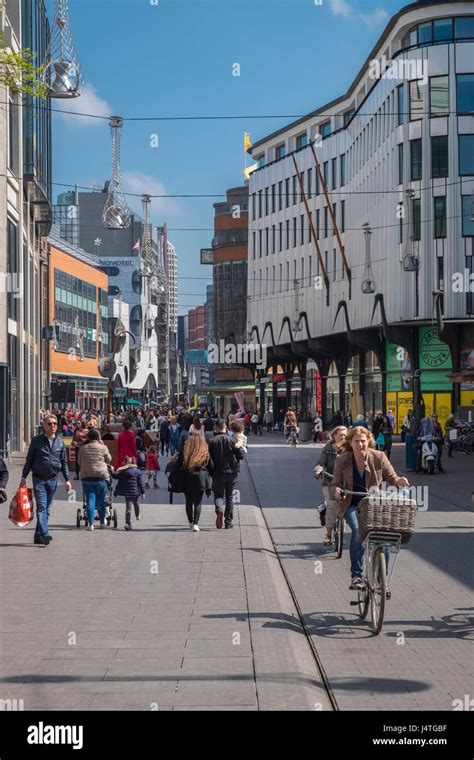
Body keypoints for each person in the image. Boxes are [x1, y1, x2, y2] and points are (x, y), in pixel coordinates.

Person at [331, 426, 409, 590]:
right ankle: (356, 576)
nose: (360, 444)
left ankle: (382, 580)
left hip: (374, 504)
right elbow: (335, 484)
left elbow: (392, 476)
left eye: (363, 441)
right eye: (356, 441)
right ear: (350, 443)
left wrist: (399, 480)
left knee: (384, 537)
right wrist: (337, 492)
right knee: (358, 530)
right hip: (352, 503)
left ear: (369, 441)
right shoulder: (342, 460)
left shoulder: (379, 457)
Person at [21, 414, 72, 545]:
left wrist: (67, 479)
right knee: (42, 507)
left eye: (55, 423)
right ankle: (45, 534)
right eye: (49, 423)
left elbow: (64, 462)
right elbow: (29, 460)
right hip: (39, 478)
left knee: (47, 509)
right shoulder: (36, 440)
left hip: (53, 479)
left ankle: (38, 536)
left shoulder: (60, 442)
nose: (53, 426)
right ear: (43, 425)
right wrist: (23, 477)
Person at [314, 426, 347, 546]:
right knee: (332, 506)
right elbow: (321, 462)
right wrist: (318, 470)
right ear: (334, 436)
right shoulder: (327, 447)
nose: (343, 437)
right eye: (340, 435)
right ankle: (328, 535)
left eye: (345, 435)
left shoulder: (349, 448)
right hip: (329, 481)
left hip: (346, 483)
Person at [208, 419, 244, 529]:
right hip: (231, 473)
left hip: (218, 473)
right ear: (225, 427)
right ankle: (228, 522)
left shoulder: (212, 441)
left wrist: (211, 472)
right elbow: (240, 455)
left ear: (216, 428)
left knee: (218, 495)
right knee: (229, 497)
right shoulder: (231, 440)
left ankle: (219, 510)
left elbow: (208, 459)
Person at [177, 434, 213, 532]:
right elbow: (211, 465)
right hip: (200, 478)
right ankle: (196, 524)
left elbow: (178, 463)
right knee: (198, 502)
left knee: (188, 501)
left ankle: (190, 522)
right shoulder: (204, 452)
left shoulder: (185, 451)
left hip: (187, 477)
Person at [78, 428, 112, 531]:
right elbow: (109, 459)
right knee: (101, 500)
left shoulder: (82, 448)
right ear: (98, 437)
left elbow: (79, 462)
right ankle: (102, 523)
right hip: (101, 476)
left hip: (87, 476)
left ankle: (91, 524)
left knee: (90, 500)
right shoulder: (103, 448)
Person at [113, 456, 145, 530]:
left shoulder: (123, 471)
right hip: (135, 492)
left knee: (128, 508)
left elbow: (115, 476)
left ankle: (128, 523)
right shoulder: (137, 471)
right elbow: (140, 483)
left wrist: (111, 470)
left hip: (127, 492)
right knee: (136, 504)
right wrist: (143, 492)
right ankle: (137, 515)